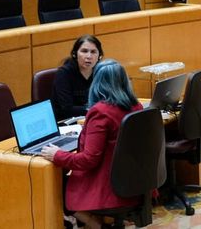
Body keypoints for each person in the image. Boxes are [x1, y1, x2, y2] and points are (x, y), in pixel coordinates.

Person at [39, 60, 143, 229]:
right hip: (132, 182)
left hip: (107, 186)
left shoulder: (100, 112)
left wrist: (57, 154)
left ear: (98, 82)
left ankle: (94, 223)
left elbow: (88, 160)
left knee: (56, 184)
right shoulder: (136, 106)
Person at [51, 35, 102, 121]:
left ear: (99, 56)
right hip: (67, 123)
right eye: (84, 51)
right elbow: (66, 109)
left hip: (93, 118)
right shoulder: (64, 74)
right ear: (75, 54)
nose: (89, 56)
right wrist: (94, 109)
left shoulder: (101, 72)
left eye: (93, 52)